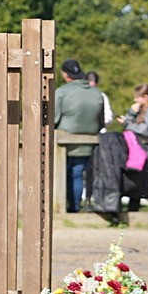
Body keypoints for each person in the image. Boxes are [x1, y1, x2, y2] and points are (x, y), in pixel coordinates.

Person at [54, 58, 105, 213]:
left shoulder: (61, 92)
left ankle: (62, 208)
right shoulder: (97, 94)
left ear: (65, 74)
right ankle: (74, 208)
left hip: (63, 144)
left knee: (63, 175)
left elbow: (53, 119)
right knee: (77, 174)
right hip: (88, 145)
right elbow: (101, 122)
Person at [118, 84, 148, 212]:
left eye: (138, 97)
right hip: (138, 147)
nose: (135, 101)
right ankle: (130, 209)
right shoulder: (142, 109)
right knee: (133, 179)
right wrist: (131, 113)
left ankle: (133, 210)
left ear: (145, 97)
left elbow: (146, 130)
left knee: (139, 181)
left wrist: (128, 123)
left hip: (146, 148)